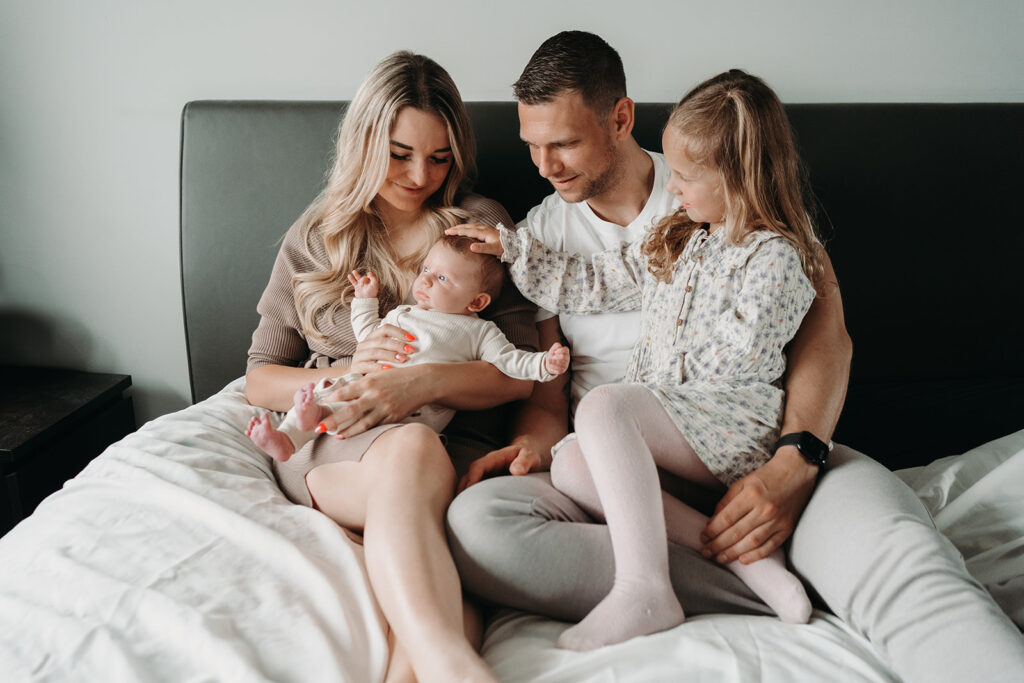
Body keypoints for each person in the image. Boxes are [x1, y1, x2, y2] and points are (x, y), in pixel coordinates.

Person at [445, 30, 1024, 680]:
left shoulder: (721, 193)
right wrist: (531, 442)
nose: (544, 164)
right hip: (632, 483)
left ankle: (807, 569)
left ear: (621, 118)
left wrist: (795, 459)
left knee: (904, 562)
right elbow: (554, 390)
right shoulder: (542, 234)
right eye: (532, 145)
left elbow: (823, 339)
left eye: (565, 143)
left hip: (765, 453)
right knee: (480, 525)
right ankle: (758, 576)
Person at [450, 69, 819, 650]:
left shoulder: (776, 255)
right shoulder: (684, 234)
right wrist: (515, 247)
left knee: (603, 409)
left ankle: (645, 587)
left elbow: (748, 354)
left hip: (728, 423)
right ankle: (740, 563)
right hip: (662, 437)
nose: (677, 187)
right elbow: (597, 282)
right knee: (572, 462)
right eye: (533, 146)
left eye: (690, 177)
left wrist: (653, 396)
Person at [245, 51, 537, 683]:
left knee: (436, 555)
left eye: (438, 157)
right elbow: (260, 377)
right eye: (400, 153)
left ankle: (428, 667)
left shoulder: (479, 226)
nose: (419, 175)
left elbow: (526, 372)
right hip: (341, 438)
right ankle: (453, 666)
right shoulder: (318, 234)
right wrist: (346, 369)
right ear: (366, 139)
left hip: (458, 442)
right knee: (409, 452)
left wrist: (422, 382)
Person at [247, 232, 569, 463]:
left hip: (415, 410)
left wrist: (544, 364)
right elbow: (369, 334)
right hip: (364, 381)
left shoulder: (479, 332)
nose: (426, 281)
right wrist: (365, 300)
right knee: (326, 392)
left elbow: (510, 363)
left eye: (443, 279)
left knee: (347, 407)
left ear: (477, 301)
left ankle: (311, 420)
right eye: (426, 270)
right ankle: (287, 438)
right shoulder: (405, 313)